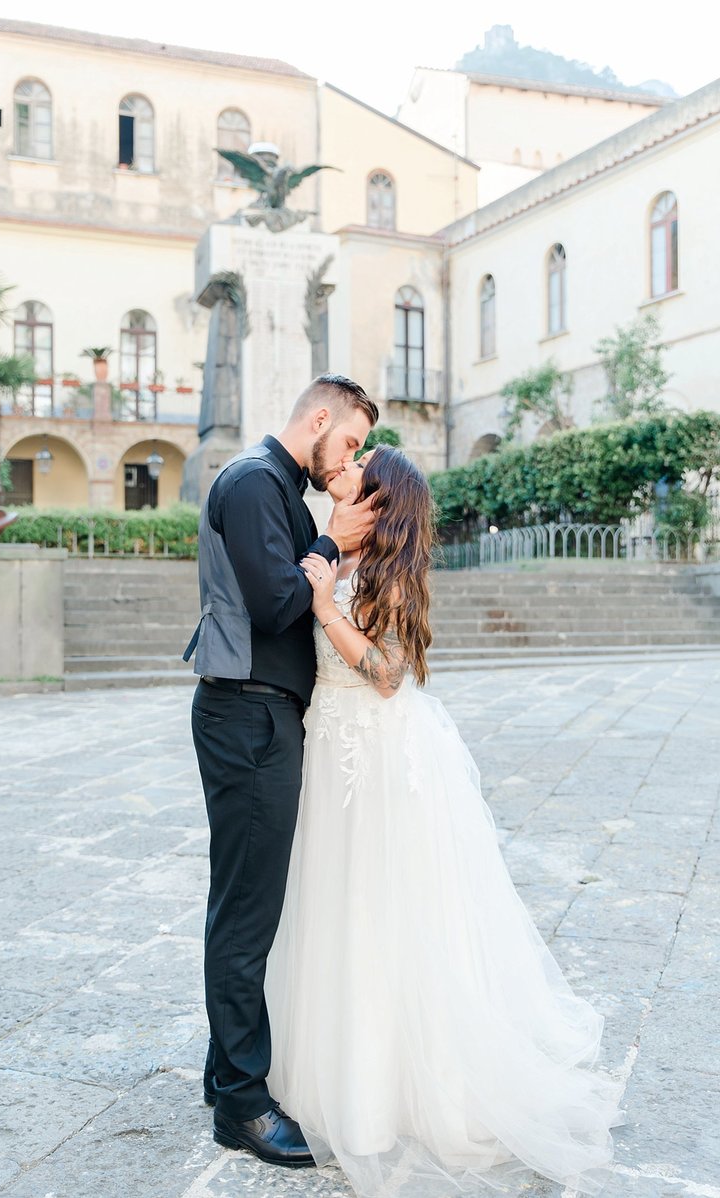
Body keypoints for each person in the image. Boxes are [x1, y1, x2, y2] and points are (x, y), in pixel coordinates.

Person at [266, 445, 626, 1197]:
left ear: (381, 496)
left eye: (361, 463)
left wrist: (326, 607)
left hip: (378, 748)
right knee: (333, 902)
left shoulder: (389, 573)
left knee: (381, 907)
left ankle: (391, 1092)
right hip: (330, 742)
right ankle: (334, 1071)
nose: (346, 465)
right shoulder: (336, 550)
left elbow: (387, 675)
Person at [186, 374, 379, 1166]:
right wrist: (334, 541)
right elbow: (275, 604)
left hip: (260, 715)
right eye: (352, 441)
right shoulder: (253, 482)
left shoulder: (277, 490)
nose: (352, 457)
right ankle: (242, 1103)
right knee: (247, 914)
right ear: (320, 418)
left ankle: (222, 1074)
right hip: (247, 716)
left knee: (245, 904)